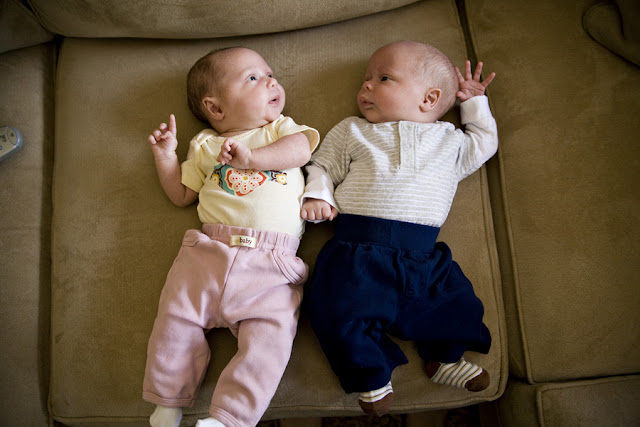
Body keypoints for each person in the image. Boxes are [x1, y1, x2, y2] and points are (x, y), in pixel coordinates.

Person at [300, 40, 498, 416]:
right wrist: (318, 196)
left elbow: (485, 142)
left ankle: (444, 359)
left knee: (457, 304)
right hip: (355, 253)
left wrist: (474, 103)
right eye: (366, 78)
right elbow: (321, 166)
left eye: (384, 78)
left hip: (423, 258)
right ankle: (370, 373)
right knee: (333, 310)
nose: (366, 85)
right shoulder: (353, 131)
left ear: (429, 98)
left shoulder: (450, 141)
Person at [142, 47, 319, 427]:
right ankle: (168, 401)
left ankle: (230, 418)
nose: (271, 81)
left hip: (271, 265)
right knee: (176, 320)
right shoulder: (205, 145)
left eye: (270, 73)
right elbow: (181, 195)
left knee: (270, 340)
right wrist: (166, 158)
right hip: (208, 253)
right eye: (253, 77)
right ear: (216, 108)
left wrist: (252, 159)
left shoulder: (279, 129)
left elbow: (301, 150)